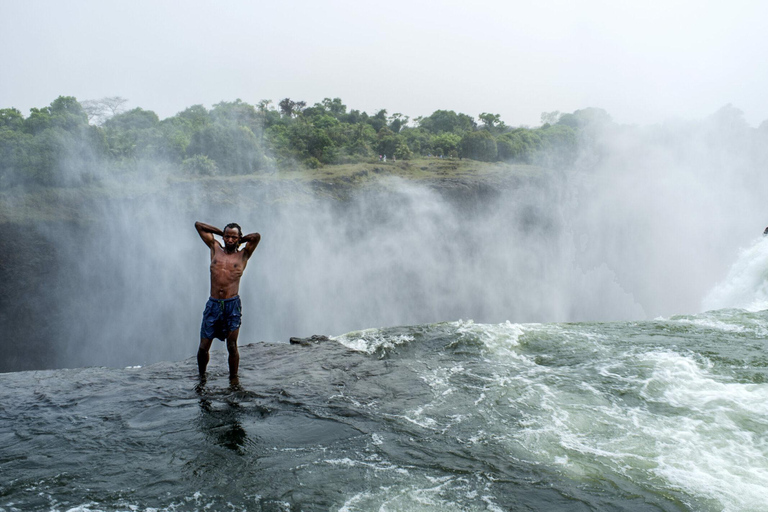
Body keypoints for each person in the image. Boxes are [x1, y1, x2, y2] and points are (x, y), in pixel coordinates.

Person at [195, 221, 260, 382]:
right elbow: (198, 225)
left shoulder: (243, 254)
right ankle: (202, 378)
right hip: (214, 304)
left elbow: (256, 237)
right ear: (223, 237)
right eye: (227, 237)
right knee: (203, 347)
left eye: (233, 237)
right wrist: (221, 233)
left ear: (238, 239)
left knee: (231, 346)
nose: (230, 240)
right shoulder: (215, 248)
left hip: (232, 305)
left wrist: (240, 240)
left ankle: (233, 379)